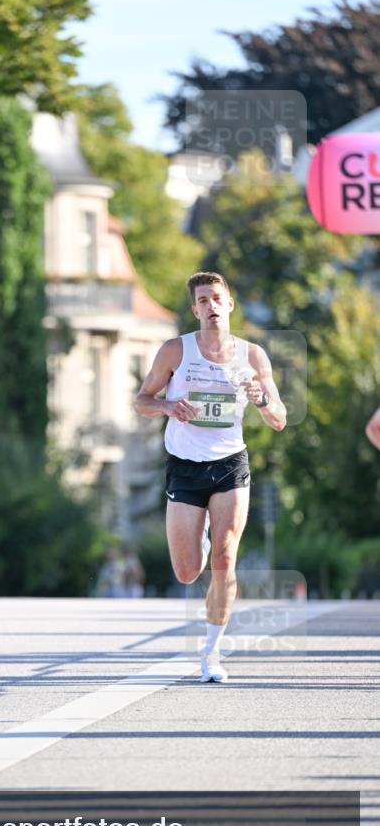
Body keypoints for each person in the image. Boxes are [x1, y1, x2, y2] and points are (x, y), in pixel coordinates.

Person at [134, 271, 286, 683]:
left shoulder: (253, 356)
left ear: (230, 304)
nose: (212, 306)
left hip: (230, 465)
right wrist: (168, 407)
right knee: (187, 571)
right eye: (203, 300)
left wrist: (262, 398)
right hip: (184, 466)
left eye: (218, 298)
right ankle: (199, 536)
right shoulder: (175, 351)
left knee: (225, 559)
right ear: (195, 309)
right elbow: (142, 401)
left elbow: (279, 420)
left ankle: (211, 653)